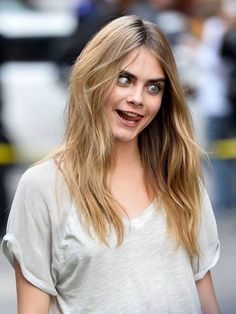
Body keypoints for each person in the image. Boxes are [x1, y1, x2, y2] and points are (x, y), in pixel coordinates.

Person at [2, 15, 220, 313]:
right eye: (124, 79)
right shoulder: (42, 187)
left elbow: (204, 294)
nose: (138, 98)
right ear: (94, 77)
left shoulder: (179, 174)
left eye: (153, 87)